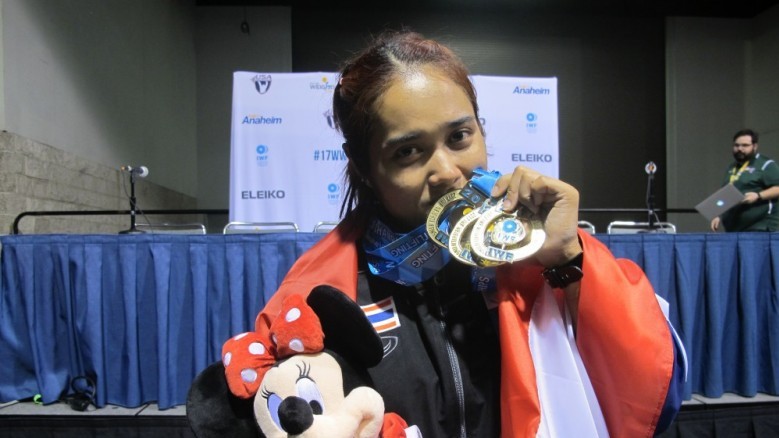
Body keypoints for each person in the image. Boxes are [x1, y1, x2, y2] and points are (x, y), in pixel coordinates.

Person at [226, 31, 685, 437]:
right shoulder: (319, 296)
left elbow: (657, 399)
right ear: (363, 165)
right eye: (408, 152)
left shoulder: (534, 255)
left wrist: (568, 261)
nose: (447, 172)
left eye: (460, 137)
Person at [711, 129, 779, 232]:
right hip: (735, 229)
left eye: (745, 145)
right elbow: (726, 193)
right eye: (736, 145)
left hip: (760, 227)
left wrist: (758, 196)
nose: (740, 149)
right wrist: (717, 213)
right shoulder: (732, 167)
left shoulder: (766, 165)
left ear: (755, 146)